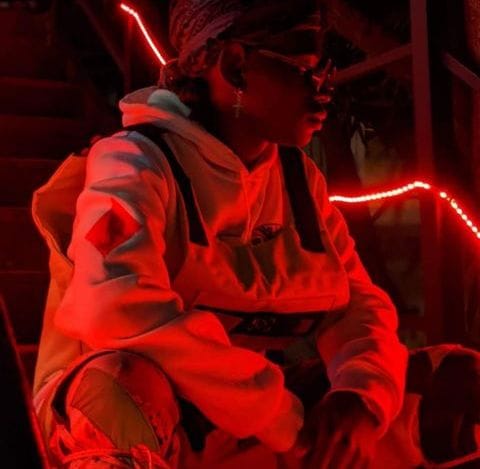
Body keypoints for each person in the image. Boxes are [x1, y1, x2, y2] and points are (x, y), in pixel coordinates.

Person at [32, 0, 407, 467]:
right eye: (305, 71)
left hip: (244, 424)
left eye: (327, 71)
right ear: (234, 66)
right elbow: (114, 309)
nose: (324, 91)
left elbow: (357, 305)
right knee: (119, 391)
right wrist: (282, 419)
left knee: (451, 385)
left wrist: (359, 396)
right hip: (129, 420)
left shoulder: (298, 180)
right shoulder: (135, 162)